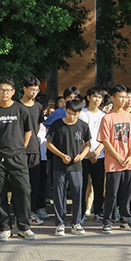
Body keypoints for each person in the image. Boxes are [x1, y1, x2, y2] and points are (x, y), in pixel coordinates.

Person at [0, 78, 36, 242]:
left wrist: (21, 148)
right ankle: (5, 228)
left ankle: (24, 227)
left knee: (23, 190)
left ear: (13, 92)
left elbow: (28, 132)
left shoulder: (21, 109)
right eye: (1, 90)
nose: (4, 93)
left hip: (18, 156)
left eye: (8, 90)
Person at [46, 99, 91, 236]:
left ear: (79, 113)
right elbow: (49, 143)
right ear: (65, 110)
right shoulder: (57, 125)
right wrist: (61, 155)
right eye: (70, 113)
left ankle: (76, 223)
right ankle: (60, 223)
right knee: (59, 195)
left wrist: (82, 155)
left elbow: (88, 144)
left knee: (77, 194)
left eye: (75, 114)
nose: (72, 117)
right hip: (59, 165)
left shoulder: (83, 125)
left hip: (76, 166)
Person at [98, 85, 131, 233]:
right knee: (112, 193)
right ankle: (108, 221)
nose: (123, 100)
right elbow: (105, 141)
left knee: (127, 192)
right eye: (120, 97)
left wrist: (130, 156)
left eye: (125, 97)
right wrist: (118, 157)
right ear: (113, 98)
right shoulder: (107, 118)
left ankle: (126, 219)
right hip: (113, 162)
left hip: (129, 162)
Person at [19, 76, 46, 226]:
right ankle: (20, 212)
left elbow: (38, 127)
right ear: (24, 89)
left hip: (34, 149)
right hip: (19, 150)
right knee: (20, 184)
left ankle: (32, 211)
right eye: (31, 89)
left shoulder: (38, 107)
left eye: (36, 90)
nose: (34, 92)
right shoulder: (16, 106)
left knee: (34, 183)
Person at [79, 87, 106, 221]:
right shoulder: (81, 114)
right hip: (83, 156)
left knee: (99, 185)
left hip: (99, 155)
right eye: (94, 96)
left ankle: (99, 212)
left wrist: (96, 152)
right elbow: (79, 135)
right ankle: (81, 213)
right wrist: (88, 152)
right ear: (88, 97)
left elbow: (106, 137)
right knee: (82, 186)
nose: (97, 100)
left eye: (99, 97)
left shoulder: (103, 116)